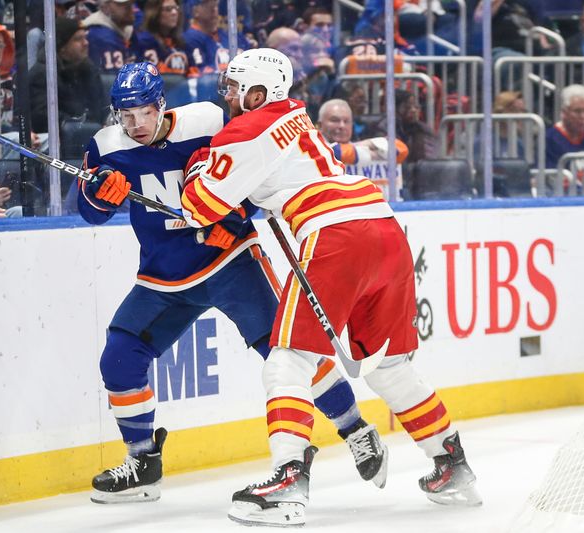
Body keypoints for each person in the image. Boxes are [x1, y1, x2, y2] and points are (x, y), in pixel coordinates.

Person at [180, 48, 481, 527]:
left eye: (236, 89)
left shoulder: (244, 129)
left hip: (335, 235)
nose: (230, 98)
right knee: (390, 368)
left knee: (286, 361)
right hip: (382, 225)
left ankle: (287, 480)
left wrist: (198, 169)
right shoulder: (297, 116)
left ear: (259, 93)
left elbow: (198, 207)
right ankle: (453, 466)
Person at [79, 62, 389, 505]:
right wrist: (97, 194)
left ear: (160, 104)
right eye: (125, 116)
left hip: (231, 261)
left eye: (143, 113)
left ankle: (354, 428)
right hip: (163, 275)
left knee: (290, 353)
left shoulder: (207, 119)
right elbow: (90, 212)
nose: (135, 125)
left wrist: (233, 217)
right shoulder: (106, 146)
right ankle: (143, 463)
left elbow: (252, 164)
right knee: (120, 357)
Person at [29, 18, 108, 133]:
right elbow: (42, 117)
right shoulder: (43, 74)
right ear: (62, 47)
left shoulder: (89, 69)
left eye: (85, 38)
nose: (86, 43)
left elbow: (102, 108)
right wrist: (82, 126)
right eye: (78, 39)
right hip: (60, 139)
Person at [183, 0, 250, 74]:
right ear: (195, 11)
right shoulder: (191, 39)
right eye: (207, 6)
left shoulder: (229, 36)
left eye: (215, 5)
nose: (214, 10)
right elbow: (202, 74)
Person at [132, 0, 192, 76]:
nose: (174, 12)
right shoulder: (144, 42)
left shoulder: (181, 42)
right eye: (168, 9)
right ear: (155, 13)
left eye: (176, 8)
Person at [546, 84, 584, 169]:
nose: (583, 116)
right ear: (564, 112)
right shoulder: (549, 139)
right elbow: (549, 177)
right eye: (577, 111)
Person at [83, 0, 136, 72]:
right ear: (105, 8)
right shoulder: (100, 36)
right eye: (123, 5)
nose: (130, 8)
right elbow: (115, 80)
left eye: (130, 3)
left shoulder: (126, 29)